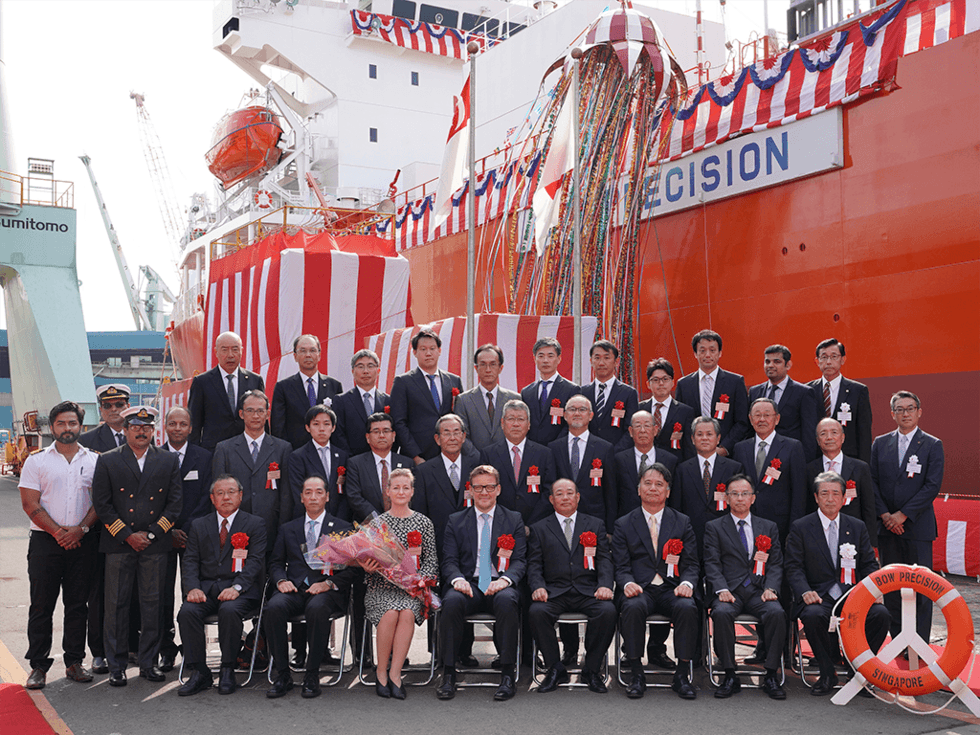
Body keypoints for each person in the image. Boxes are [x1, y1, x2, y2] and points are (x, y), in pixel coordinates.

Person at [91, 406, 181, 687]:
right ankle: (116, 664)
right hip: (119, 544)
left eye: (146, 427)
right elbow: (102, 505)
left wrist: (152, 535)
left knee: (152, 605)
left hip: (154, 545)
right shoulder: (107, 461)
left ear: (153, 430)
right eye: (135, 426)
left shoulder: (168, 460)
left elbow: (175, 504)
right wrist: (128, 535)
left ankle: (148, 662)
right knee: (115, 605)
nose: (141, 431)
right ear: (126, 429)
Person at [784, 472, 888, 695]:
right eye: (824, 494)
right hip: (818, 594)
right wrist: (804, 592)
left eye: (835, 494)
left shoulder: (857, 526)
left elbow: (869, 564)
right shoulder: (801, 527)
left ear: (844, 498)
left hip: (852, 594)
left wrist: (875, 590)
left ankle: (858, 672)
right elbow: (793, 567)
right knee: (812, 615)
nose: (830, 499)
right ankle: (827, 672)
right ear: (816, 497)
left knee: (881, 614)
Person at [19, 401, 100, 690]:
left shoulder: (94, 461)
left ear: (82, 426)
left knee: (78, 605)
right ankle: (38, 666)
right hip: (45, 542)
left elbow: (100, 503)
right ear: (52, 427)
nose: (67, 428)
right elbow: (30, 504)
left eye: (73, 423)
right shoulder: (37, 461)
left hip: (83, 541)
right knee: (41, 605)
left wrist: (80, 530)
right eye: (61, 424)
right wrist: (59, 533)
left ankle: (75, 662)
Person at [436, 465, 525, 702]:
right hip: (470, 584)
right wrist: (457, 580)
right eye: (478, 487)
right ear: (471, 490)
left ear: (498, 489)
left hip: (499, 583)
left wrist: (505, 580)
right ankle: (449, 674)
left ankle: (507, 674)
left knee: (508, 601)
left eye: (489, 487)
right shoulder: (456, 521)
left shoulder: (513, 519)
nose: (483, 492)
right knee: (451, 601)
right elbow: (449, 561)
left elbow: (519, 561)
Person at [612, 464, 699, 699]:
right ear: (638, 489)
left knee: (688, 607)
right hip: (641, 588)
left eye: (659, 484)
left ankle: (681, 675)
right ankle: (637, 673)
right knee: (632, 606)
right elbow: (620, 565)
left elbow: (691, 563)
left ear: (668, 492)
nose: (653, 488)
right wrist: (627, 583)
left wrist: (688, 584)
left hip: (672, 588)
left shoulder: (682, 522)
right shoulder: (624, 523)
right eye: (647, 483)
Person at [264, 476, 355, 699]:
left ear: (327, 496)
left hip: (326, 590)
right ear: (302, 497)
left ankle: (311, 674)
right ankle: (283, 674)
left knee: (317, 609)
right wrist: (280, 581)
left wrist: (329, 583)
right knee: (273, 608)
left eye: (318, 492)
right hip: (294, 588)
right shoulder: (288, 528)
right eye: (308, 492)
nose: (313, 497)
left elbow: (353, 569)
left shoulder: (342, 528)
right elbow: (275, 562)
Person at [176, 476, 267, 696]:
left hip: (241, 591)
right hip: (206, 590)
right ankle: (199, 672)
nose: (226, 497)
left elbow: (255, 562)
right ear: (212, 498)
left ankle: (227, 668)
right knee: (187, 613)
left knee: (229, 610)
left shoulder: (255, 524)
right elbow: (190, 561)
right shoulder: (199, 525)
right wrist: (192, 588)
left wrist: (237, 587)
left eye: (231, 492)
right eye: (220, 493)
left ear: (240, 495)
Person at [527, 479, 615, 694]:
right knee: (537, 612)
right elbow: (534, 564)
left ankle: (592, 669)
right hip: (555, 591)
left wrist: (604, 585)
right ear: (551, 499)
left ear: (578, 497)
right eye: (559, 493)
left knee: (607, 611)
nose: (565, 497)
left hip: (588, 590)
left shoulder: (595, 525)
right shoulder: (540, 528)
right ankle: (555, 669)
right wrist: (538, 586)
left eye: (569, 493)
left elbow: (604, 559)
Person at [702, 476, 786, 700]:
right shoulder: (714, 527)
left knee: (776, 613)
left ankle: (770, 674)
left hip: (759, 590)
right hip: (730, 591)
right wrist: (720, 589)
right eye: (735, 494)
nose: (740, 498)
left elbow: (776, 562)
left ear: (753, 498)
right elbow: (711, 562)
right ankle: (729, 674)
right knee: (720, 613)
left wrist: (771, 588)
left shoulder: (768, 526)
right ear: (727, 498)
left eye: (745, 494)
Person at [871, 391, 944, 642]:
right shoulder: (880, 443)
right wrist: (885, 515)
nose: (905, 413)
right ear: (892, 413)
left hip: (917, 527)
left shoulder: (933, 444)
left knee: (921, 588)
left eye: (910, 408)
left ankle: (919, 643)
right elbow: (873, 482)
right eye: (899, 409)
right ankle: (899, 640)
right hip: (887, 527)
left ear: (919, 412)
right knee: (892, 587)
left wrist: (903, 515)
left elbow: (932, 486)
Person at [362, 469, 438, 700]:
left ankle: (396, 674)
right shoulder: (377, 524)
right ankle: (381, 672)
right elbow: (368, 560)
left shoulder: (424, 522)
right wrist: (367, 566)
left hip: (412, 590)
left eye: (406, 487)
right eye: (396, 487)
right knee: (390, 613)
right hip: (381, 587)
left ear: (412, 491)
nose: (401, 491)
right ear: (388, 491)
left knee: (406, 613)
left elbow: (431, 560)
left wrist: (418, 580)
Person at [78, 383, 130, 674]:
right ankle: (98, 651)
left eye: (119, 405)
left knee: (133, 592)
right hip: (100, 529)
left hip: (134, 528)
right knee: (98, 593)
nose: (114, 410)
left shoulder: (141, 433)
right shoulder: (87, 440)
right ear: (101, 409)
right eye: (108, 406)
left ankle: (129, 646)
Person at [158, 406, 213, 672]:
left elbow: (207, 498)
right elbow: (151, 499)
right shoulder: (154, 456)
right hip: (161, 536)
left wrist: (187, 529)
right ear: (165, 427)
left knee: (192, 593)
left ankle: (193, 650)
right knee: (161, 595)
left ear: (191, 428)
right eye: (172, 423)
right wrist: (168, 530)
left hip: (194, 536)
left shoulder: (204, 457)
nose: (177, 428)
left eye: (183, 424)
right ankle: (166, 649)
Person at [212, 390, 293, 548]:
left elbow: (286, 494)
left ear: (267, 414)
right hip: (235, 526)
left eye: (260, 411)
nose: (255, 416)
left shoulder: (282, 448)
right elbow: (218, 493)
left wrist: (283, 527)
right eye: (250, 411)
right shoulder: (224, 449)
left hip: (271, 526)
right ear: (241, 414)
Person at [731, 398, 806, 543]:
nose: (762, 419)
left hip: (781, 524)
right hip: (748, 521)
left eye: (767, 415)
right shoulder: (740, 448)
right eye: (757, 415)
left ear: (777, 419)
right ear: (750, 419)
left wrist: (795, 527)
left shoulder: (792, 447)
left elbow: (799, 492)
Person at [389, 328, 463, 464]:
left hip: (449, 456)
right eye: (423, 349)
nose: (428, 353)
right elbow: (399, 422)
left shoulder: (454, 380)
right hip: (418, 457)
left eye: (432, 348)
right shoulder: (403, 382)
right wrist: (415, 456)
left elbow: (460, 417)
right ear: (415, 353)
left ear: (439, 351)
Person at [670, 417, 744, 553]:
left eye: (709, 434)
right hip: (692, 537)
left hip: (725, 537)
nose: (704, 438)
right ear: (692, 439)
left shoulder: (733, 468)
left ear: (718, 438)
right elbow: (677, 507)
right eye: (699, 434)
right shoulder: (682, 469)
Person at [480, 400, 556, 530]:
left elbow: (549, 490)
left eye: (521, 419)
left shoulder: (544, 453)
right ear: (502, 423)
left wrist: (532, 524)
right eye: (511, 419)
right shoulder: (489, 454)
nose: (516, 424)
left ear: (529, 424)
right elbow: (486, 490)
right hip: (499, 525)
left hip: (536, 526)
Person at [675, 329, 749, 456]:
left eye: (712, 350)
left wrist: (725, 448)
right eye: (702, 350)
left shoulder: (735, 382)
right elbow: (680, 422)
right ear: (695, 353)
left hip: (726, 456)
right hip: (694, 455)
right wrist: (694, 450)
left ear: (720, 353)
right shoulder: (683, 384)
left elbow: (742, 422)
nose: (707, 355)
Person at [548, 395, 616, 533]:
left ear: (590, 415)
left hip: (594, 519)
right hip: (560, 519)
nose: (577, 413)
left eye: (582, 409)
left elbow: (610, 493)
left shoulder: (604, 448)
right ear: (565, 415)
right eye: (572, 409)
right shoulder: (553, 448)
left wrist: (609, 530)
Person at [806, 418, 878, 547]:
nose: (829, 437)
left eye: (834, 432)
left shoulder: (860, 468)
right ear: (818, 440)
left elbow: (869, 509)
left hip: (854, 535)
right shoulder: (809, 469)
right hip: (818, 536)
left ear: (843, 437)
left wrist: (872, 544)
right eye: (823, 434)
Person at [188, 331, 264, 451]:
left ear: (241, 351)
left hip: (247, 450)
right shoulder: (202, 382)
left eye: (235, 349)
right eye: (224, 350)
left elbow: (262, 417)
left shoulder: (255, 380)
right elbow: (194, 423)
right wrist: (195, 455)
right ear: (216, 352)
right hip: (213, 451)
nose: (230, 355)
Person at [412, 415, 477, 554]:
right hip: (438, 546)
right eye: (446, 433)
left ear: (464, 436)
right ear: (437, 439)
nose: (452, 438)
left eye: (456, 432)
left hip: (473, 545)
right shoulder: (424, 471)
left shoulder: (476, 467)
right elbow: (419, 513)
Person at [271, 334, 344, 450]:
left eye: (312, 350)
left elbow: (339, 425)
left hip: (327, 451)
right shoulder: (283, 387)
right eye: (303, 351)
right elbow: (277, 427)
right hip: (295, 453)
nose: (308, 355)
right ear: (295, 356)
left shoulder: (334, 386)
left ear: (319, 355)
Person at [748, 345, 818, 460]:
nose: (770, 365)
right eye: (767, 361)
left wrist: (805, 463)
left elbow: (809, 434)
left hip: (790, 458)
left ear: (788, 365)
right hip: (760, 457)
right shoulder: (754, 392)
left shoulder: (803, 393)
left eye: (777, 362)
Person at [808, 338, 872, 464]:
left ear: (843, 359)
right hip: (816, 460)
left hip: (849, 458)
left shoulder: (858, 391)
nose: (829, 362)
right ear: (817, 361)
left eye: (834, 357)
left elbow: (864, 433)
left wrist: (863, 466)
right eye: (824, 357)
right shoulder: (808, 391)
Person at [346, 412, 414, 522]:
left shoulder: (407, 463)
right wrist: (379, 520)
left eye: (386, 431)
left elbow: (412, 495)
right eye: (376, 431)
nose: (381, 435)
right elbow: (354, 497)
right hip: (368, 527)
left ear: (393, 436)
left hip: (402, 522)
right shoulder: (356, 464)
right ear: (368, 437)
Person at [286, 405, 349, 522]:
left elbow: (345, 493)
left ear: (333, 427)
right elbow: (298, 492)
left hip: (338, 519)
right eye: (316, 424)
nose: (321, 429)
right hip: (310, 518)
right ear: (307, 427)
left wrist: (339, 520)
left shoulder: (342, 455)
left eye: (326, 424)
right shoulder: (298, 456)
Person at [454, 344, 520, 454]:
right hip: (475, 464)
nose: (488, 369)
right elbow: (462, 435)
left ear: (500, 368)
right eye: (483, 364)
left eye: (493, 364)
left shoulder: (514, 399)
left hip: (507, 461)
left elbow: (519, 432)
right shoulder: (463, 400)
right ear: (476, 368)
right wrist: (478, 458)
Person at [612, 411, 678, 519]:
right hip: (627, 521)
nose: (642, 430)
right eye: (638, 426)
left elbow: (674, 498)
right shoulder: (619, 460)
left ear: (655, 430)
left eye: (647, 426)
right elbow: (613, 496)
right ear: (631, 431)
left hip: (661, 520)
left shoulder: (670, 460)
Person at [578, 340, 638, 450]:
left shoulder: (629, 393)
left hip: (617, 456)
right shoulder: (582, 392)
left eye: (606, 358)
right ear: (591, 361)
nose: (601, 363)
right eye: (597, 358)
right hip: (587, 454)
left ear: (616, 361)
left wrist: (614, 453)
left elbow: (631, 429)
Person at [520, 338, 580, 446]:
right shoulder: (527, 392)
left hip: (559, 449)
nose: (545, 360)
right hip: (532, 450)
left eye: (550, 356)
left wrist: (555, 446)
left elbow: (572, 423)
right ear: (534, 359)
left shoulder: (572, 389)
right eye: (541, 356)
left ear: (559, 358)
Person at [332, 349, 391, 457]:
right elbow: (338, 435)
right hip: (353, 462)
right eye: (360, 366)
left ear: (378, 371)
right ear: (353, 371)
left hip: (384, 459)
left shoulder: (388, 400)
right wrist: (350, 460)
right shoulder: (341, 401)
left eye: (370, 366)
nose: (365, 371)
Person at [637, 358, 696, 462]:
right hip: (644, 466)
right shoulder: (639, 409)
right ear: (648, 384)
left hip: (674, 469)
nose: (661, 383)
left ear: (672, 382)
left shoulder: (686, 412)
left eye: (665, 379)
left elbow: (688, 448)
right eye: (655, 380)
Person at [78, 384, 130, 452]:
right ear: (101, 409)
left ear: (128, 407)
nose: (113, 409)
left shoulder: (142, 436)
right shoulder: (86, 441)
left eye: (119, 404)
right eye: (107, 405)